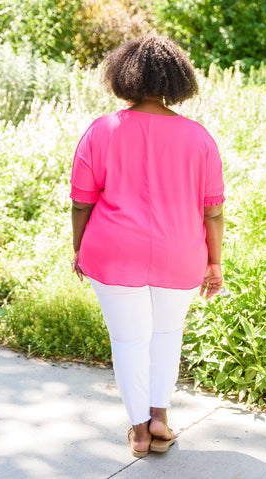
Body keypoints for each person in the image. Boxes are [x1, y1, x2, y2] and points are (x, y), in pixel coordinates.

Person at [70, 34, 225, 457]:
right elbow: (212, 212)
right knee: (166, 336)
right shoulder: (199, 137)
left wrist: (78, 248)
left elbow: (82, 202)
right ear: (177, 79)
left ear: (124, 76)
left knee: (128, 341)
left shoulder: (102, 130)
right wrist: (215, 263)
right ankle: (160, 419)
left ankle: (138, 431)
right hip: (180, 252)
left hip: (113, 249)